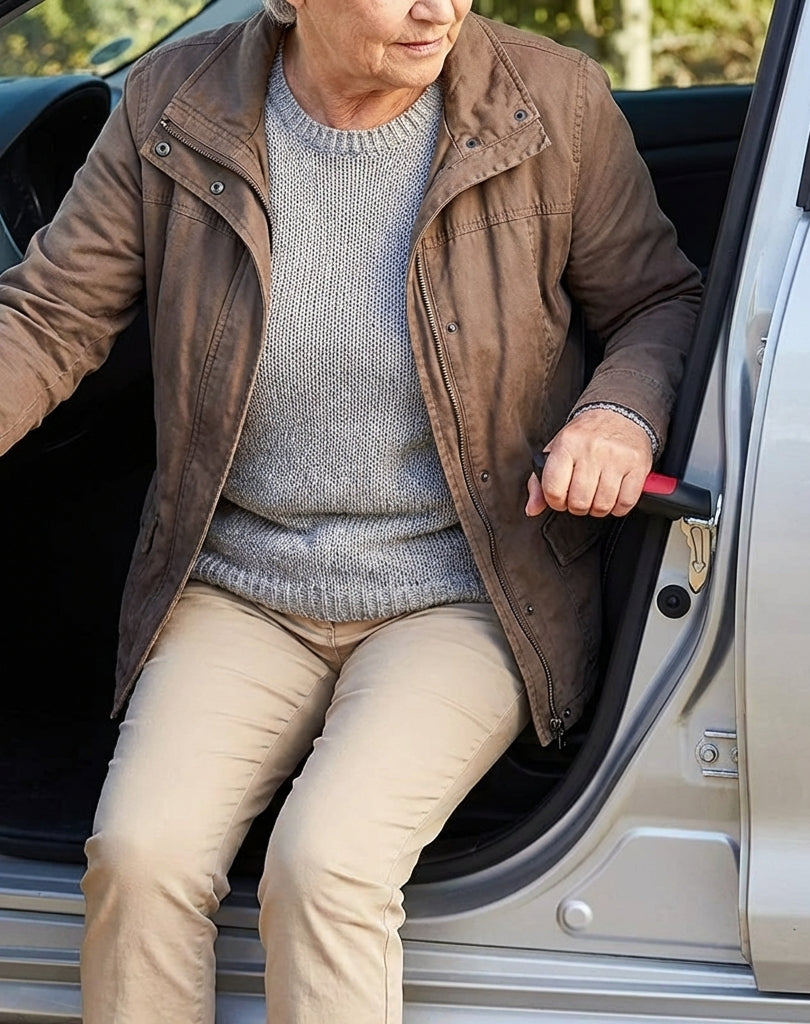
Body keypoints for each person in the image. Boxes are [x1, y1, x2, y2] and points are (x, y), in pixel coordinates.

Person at [0, 0, 701, 1020]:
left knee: (326, 863)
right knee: (140, 859)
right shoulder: (174, 102)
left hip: (465, 585)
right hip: (242, 581)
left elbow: (656, 302)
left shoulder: (549, 100)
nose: (438, 8)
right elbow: (53, 315)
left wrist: (616, 413)